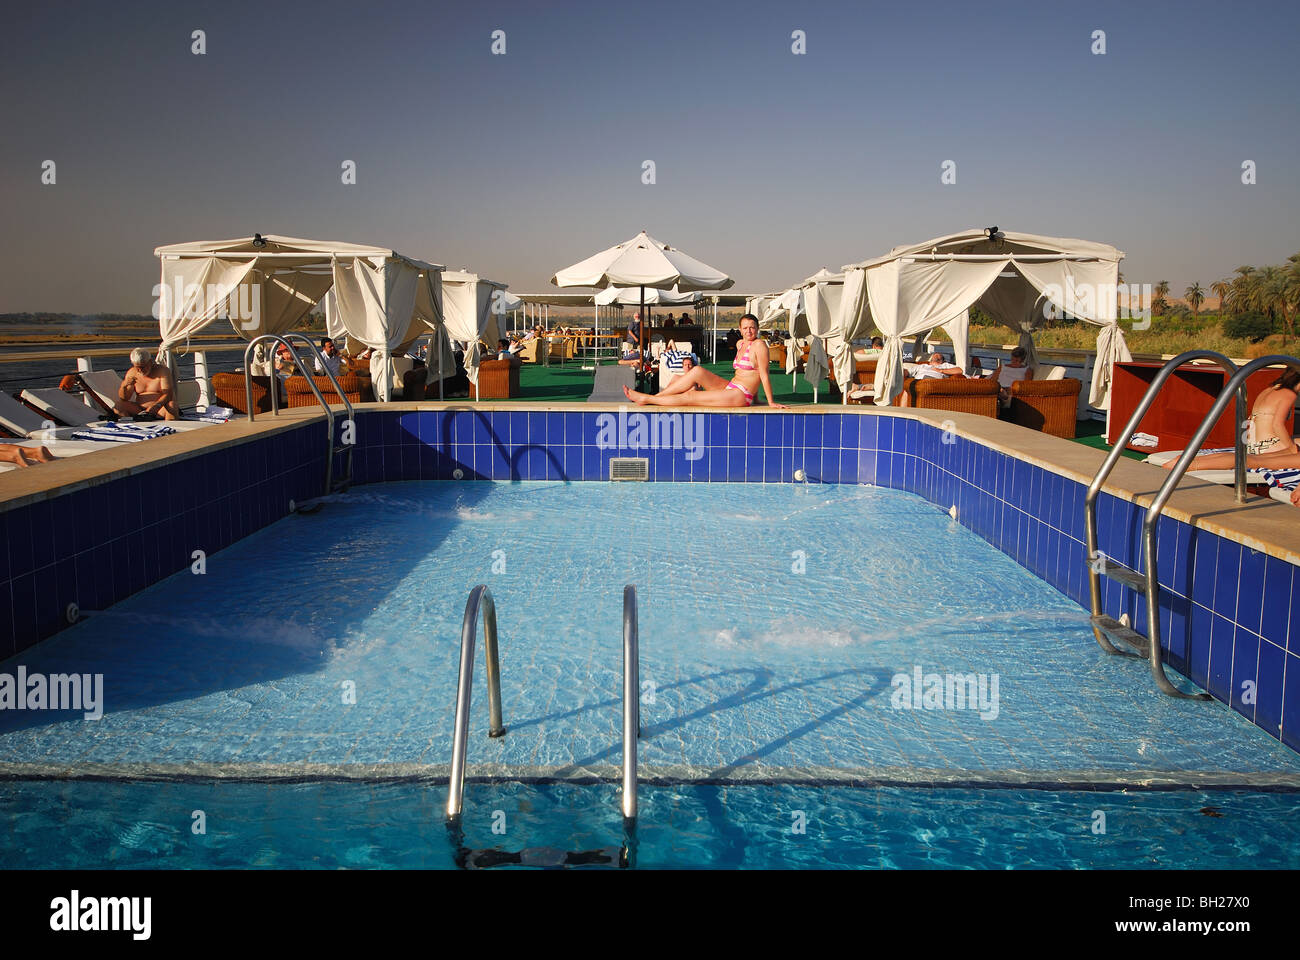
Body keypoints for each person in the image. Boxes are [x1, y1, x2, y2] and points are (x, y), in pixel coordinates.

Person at [623, 313, 785, 409]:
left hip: (741, 395)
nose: (749, 331)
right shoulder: (741, 343)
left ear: (757, 328)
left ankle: (648, 399)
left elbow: (763, 374)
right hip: (733, 387)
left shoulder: (759, 345)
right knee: (697, 371)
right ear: (740, 329)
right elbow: (750, 371)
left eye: (752, 327)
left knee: (691, 396)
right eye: (745, 328)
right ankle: (657, 396)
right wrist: (757, 400)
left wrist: (770, 402)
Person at [1163, 370, 1300, 470]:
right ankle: (1191, 464)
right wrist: (1290, 448)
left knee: (1253, 458)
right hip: (1267, 444)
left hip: (1252, 442)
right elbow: (1277, 424)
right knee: (1256, 460)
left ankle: (1187, 460)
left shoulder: (1269, 390)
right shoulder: (1289, 394)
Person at [116, 348, 181, 420]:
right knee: (119, 405)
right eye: (137, 367)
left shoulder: (162, 371)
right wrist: (124, 386)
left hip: (160, 409)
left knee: (172, 405)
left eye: (143, 367)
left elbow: (168, 394)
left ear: (150, 362)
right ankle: (129, 426)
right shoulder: (132, 373)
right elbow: (124, 398)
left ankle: (171, 427)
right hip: (140, 410)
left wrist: (156, 405)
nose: (140, 370)